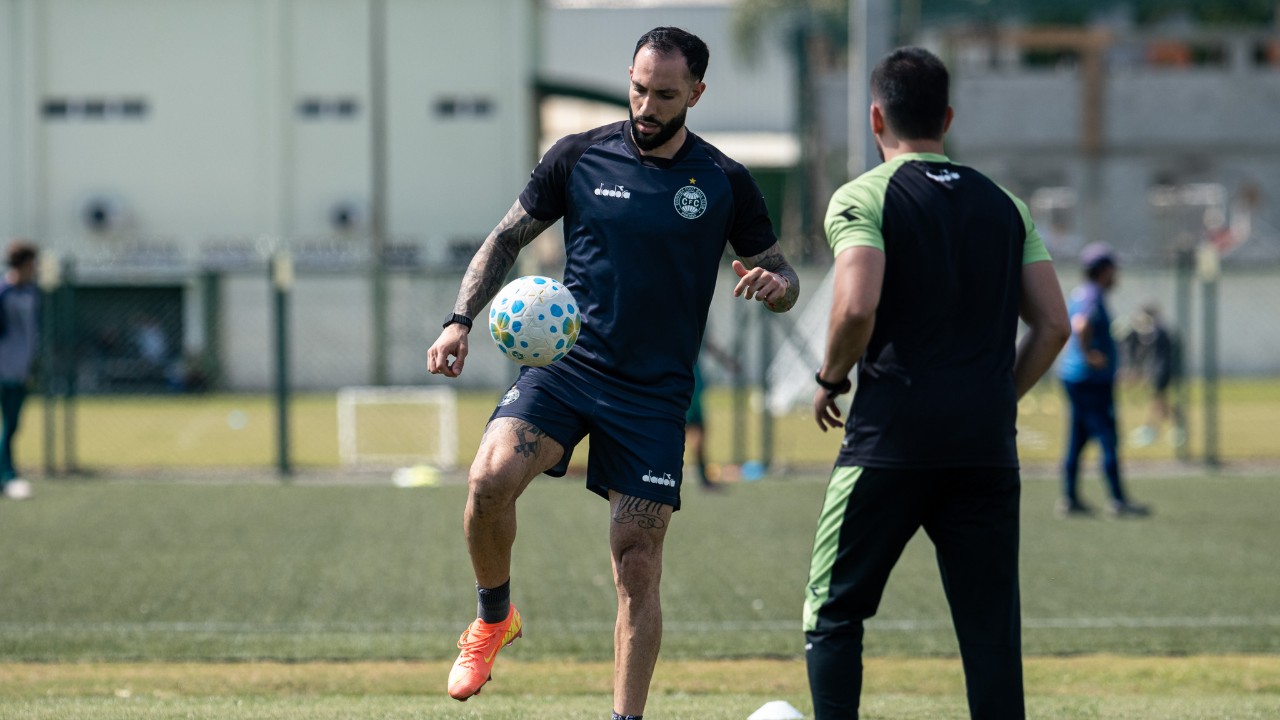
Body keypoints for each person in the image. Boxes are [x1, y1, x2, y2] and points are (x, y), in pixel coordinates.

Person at [426, 27, 799, 719]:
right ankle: (492, 618)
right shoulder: (578, 156)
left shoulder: (722, 180)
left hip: (655, 395)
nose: (646, 106)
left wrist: (778, 286)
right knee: (486, 480)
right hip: (567, 368)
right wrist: (459, 320)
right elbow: (506, 236)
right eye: (637, 88)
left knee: (636, 563)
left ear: (696, 92)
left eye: (664, 94)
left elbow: (781, 269)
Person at [805, 47, 1070, 719]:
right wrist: (994, 395)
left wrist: (830, 377)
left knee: (832, 613)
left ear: (875, 118)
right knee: (990, 636)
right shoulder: (1006, 205)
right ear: (947, 117)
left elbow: (857, 306)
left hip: (891, 441)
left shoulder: (863, 196)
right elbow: (1054, 327)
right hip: (984, 444)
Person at [1057, 243, 1151, 518]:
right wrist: (1089, 355)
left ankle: (1070, 499)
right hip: (1090, 381)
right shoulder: (1092, 294)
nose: (1116, 275)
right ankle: (1118, 501)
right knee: (1107, 438)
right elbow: (1081, 325)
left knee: (1078, 438)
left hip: (1077, 378)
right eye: (1114, 269)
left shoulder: (1080, 292)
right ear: (1104, 270)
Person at [0, 240, 40, 501]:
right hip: (3, 367)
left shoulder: (32, 292)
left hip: (20, 368)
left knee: (13, 424)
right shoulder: (4, 291)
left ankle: (7, 473)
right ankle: (7, 475)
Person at [1120, 304, 1184, 448]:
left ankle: (1152, 429)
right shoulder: (1156, 331)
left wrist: (1145, 374)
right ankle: (1174, 425)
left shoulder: (1159, 332)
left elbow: (1158, 356)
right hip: (1158, 370)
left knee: (1158, 400)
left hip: (1162, 371)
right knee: (1160, 401)